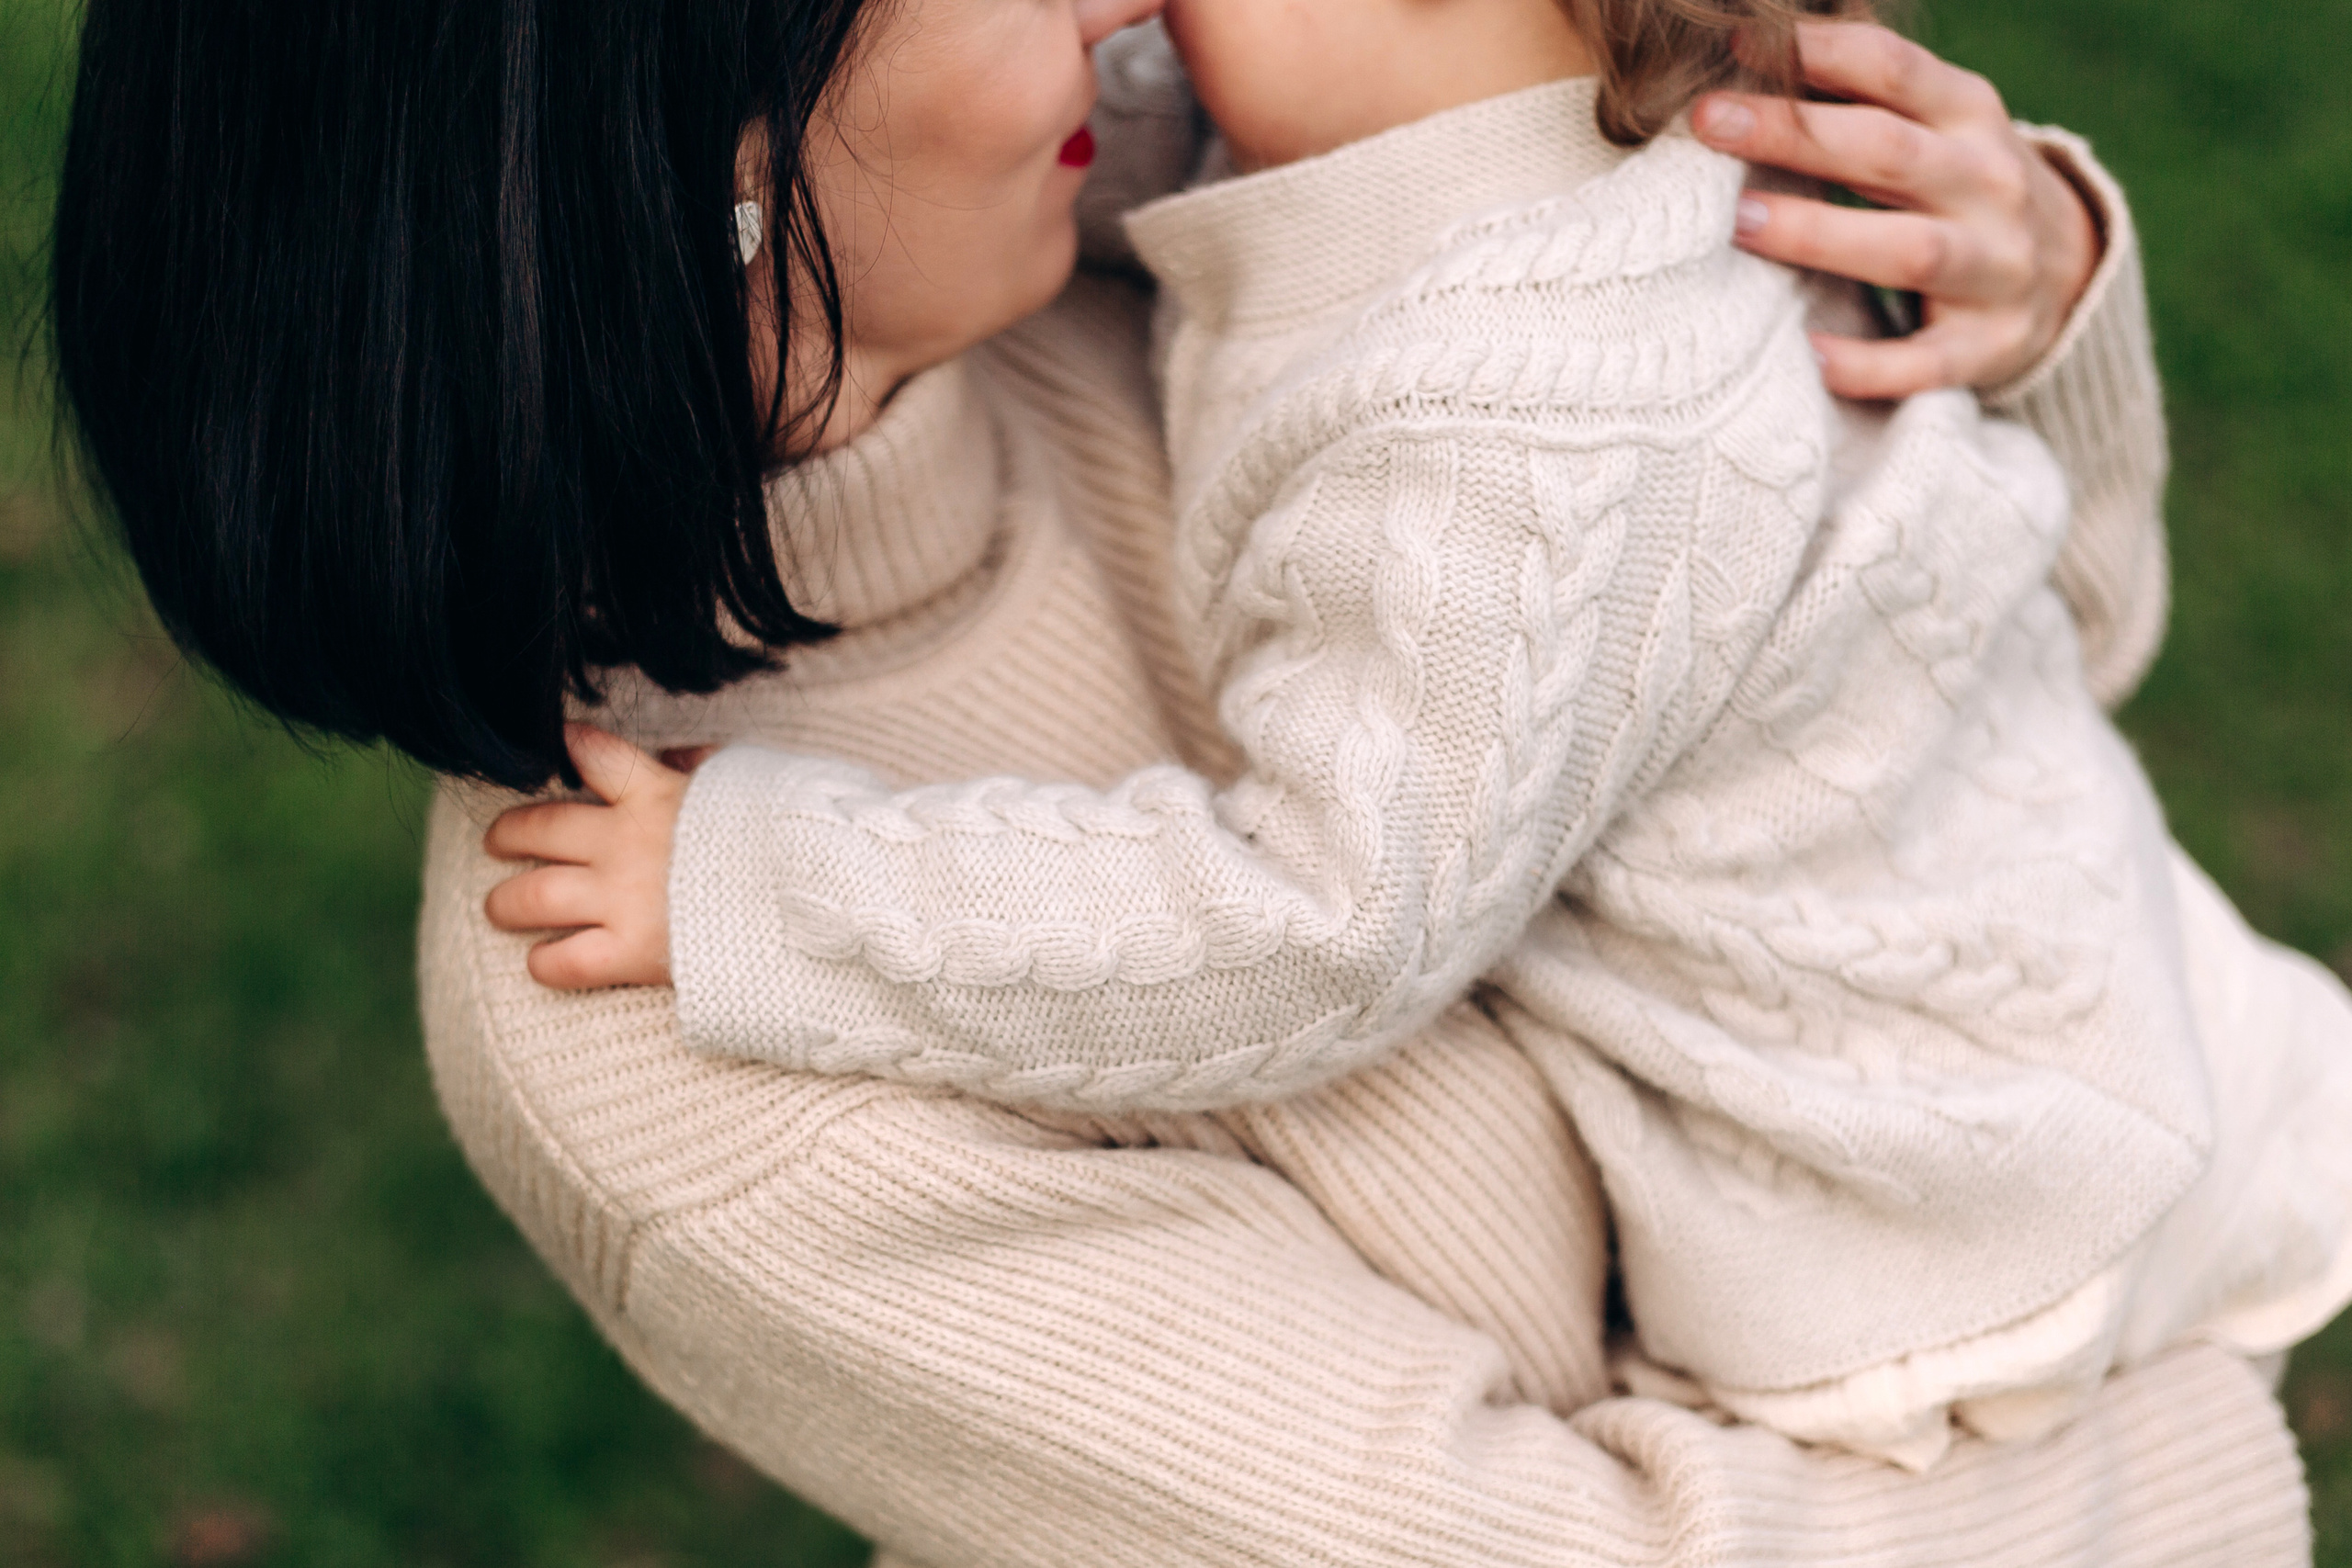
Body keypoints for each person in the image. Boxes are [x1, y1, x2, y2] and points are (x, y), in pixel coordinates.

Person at [51, 0, 2314, 1559]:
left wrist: (1986, 294)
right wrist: (2202, 1455)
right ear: (705, 176)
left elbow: (2005, 675)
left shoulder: (1189, 239)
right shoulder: (649, 1021)